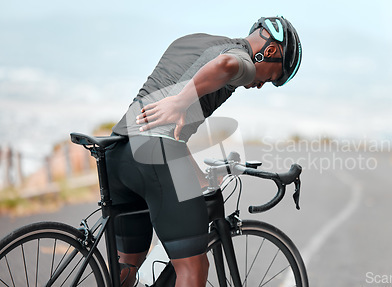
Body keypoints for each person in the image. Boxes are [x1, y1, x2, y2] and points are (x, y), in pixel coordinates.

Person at [106, 16, 302, 286]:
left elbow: (170, 137)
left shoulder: (194, 41)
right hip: (154, 157)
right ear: (269, 51)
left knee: (127, 267)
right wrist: (180, 101)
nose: (259, 85)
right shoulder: (242, 59)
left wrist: (199, 175)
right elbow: (226, 65)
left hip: (117, 152)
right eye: (270, 78)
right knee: (193, 269)